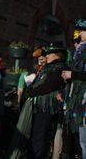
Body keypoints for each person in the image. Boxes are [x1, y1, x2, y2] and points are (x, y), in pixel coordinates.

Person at [26, 46, 68, 159]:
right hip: (38, 107)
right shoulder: (47, 67)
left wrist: (32, 91)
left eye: (50, 53)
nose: (47, 56)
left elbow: (49, 85)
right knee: (36, 136)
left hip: (48, 109)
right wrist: (30, 90)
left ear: (58, 55)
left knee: (40, 137)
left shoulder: (60, 68)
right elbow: (36, 83)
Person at [62, 19, 86, 159]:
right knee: (70, 139)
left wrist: (73, 74)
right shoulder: (80, 50)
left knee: (82, 143)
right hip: (73, 101)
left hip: (83, 101)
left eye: (82, 31)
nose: (80, 34)